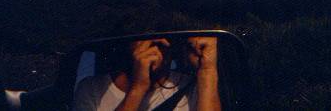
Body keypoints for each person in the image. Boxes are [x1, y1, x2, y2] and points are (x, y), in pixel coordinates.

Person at [72, 37, 221, 111]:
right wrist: (138, 88)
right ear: (128, 44)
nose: (154, 50)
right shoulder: (92, 89)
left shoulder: (193, 88)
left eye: (162, 44)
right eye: (146, 41)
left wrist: (207, 72)